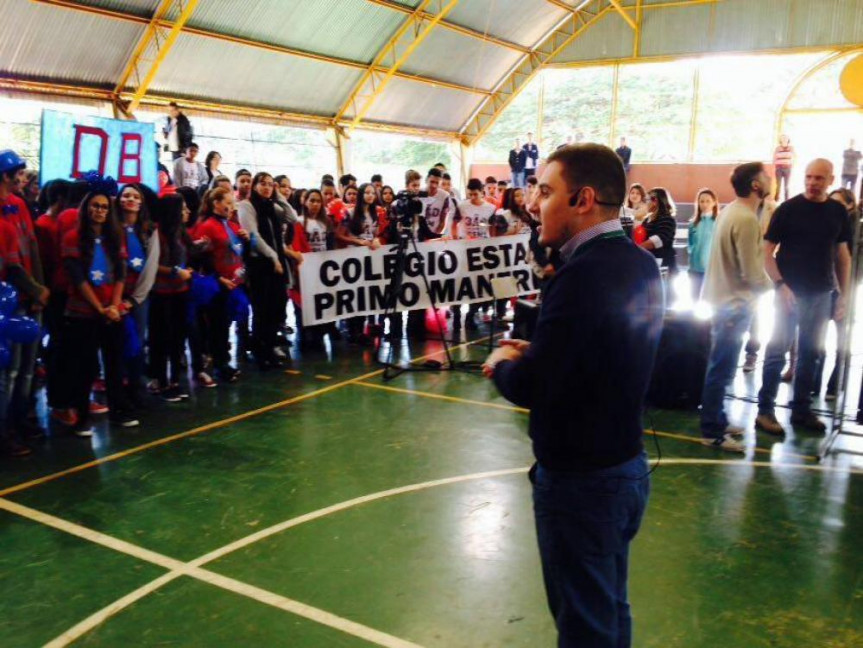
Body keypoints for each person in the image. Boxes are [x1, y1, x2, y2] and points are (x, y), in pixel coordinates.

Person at [483, 143, 662, 648]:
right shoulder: (637, 264)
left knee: (584, 625)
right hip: (624, 467)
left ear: (582, 199)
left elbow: (535, 388)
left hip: (582, 483)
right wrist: (538, 348)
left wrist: (503, 364)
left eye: (545, 190)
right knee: (608, 607)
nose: (533, 202)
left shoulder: (581, 275)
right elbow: (601, 353)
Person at [756, 159, 852, 435]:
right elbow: (766, 253)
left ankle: (801, 410)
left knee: (811, 353)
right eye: (808, 177)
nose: (812, 182)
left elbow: (842, 258)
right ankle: (765, 411)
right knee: (777, 352)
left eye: (819, 178)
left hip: (821, 295)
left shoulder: (837, 212)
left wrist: (843, 296)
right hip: (789, 293)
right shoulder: (788, 209)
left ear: (831, 180)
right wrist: (781, 285)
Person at [699, 163, 773, 452]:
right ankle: (712, 431)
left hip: (724, 302)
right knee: (722, 368)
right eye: (766, 177)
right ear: (756, 185)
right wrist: (776, 287)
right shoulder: (745, 218)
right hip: (733, 305)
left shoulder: (732, 211)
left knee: (722, 367)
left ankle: (717, 418)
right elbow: (751, 274)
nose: (771, 180)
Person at [58, 188, 138, 434]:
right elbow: (78, 278)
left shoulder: (116, 237)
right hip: (83, 313)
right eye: (95, 206)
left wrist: (114, 306)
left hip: (111, 312)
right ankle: (82, 417)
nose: (100, 211)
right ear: (86, 208)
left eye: (104, 207)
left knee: (115, 364)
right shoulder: (72, 238)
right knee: (84, 367)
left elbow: (121, 274)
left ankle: (118, 411)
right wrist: (100, 308)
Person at [0, 150, 48, 456]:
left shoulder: (17, 206)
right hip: (9, 300)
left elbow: (31, 249)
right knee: (10, 372)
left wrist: (39, 291)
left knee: (27, 370)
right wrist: (35, 290)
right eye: (17, 173)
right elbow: (10, 263)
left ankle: (20, 420)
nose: (22, 178)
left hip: (27, 297)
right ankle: (5, 430)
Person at [237, 172, 295, 369]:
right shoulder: (246, 205)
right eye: (263, 184)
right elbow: (253, 236)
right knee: (262, 309)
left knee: (277, 307)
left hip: (275, 263)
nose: (267, 187)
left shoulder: (272, 206)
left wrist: (279, 196)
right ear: (254, 186)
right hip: (260, 264)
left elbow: (292, 217)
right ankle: (261, 350)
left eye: (270, 184)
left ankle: (270, 346)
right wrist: (272, 256)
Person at [193, 187, 249, 384]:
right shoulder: (207, 226)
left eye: (231, 201)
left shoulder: (233, 225)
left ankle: (220, 359)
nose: (230, 205)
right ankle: (220, 365)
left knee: (231, 319)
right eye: (226, 201)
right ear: (215, 203)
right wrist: (217, 278)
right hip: (218, 284)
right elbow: (202, 258)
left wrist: (247, 239)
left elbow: (241, 253)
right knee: (218, 325)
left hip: (236, 281)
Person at [117, 183, 159, 406]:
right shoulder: (111, 228)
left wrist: (134, 299)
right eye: (126, 196)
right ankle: (117, 388)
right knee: (115, 344)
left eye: (135, 196)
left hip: (138, 297)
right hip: (113, 298)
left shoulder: (149, 229)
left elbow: (150, 266)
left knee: (137, 342)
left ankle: (137, 387)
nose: (130, 199)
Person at [149, 194, 192, 401]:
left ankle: (175, 380)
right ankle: (160, 379)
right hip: (161, 292)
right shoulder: (156, 233)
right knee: (161, 337)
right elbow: (151, 265)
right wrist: (175, 272)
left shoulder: (180, 232)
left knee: (177, 337)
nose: (187, 212)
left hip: (180, 291)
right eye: (183, 209)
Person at [819, 187, 859, 400]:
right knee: (818, 338)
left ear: (850, 206)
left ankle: (836, 383)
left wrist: (847, 292)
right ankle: (814, 384)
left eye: (839, 203)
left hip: (845, 290)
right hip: (825, 289)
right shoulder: (825, 227)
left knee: (843, 339)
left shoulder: (854, 232)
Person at [687, 188, 719, 300]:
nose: (704, 204)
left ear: (714, 203)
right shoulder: (693, 223)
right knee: (694, 299)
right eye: (702, 201)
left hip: (712, 270)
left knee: (711, 301)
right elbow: (690, 244)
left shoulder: (719, 222)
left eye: (708, 201)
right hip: (695, 269)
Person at [640, 188, 677, 272]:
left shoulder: (667, 219)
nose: (645, 203)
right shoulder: (647, 220)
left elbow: (658, 240)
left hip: (663, 265)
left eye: (646, 200)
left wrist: (636, 249)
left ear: (655, 201)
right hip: (651, 262)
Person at [773, 134, 794, 202]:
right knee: (778, 185)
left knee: (786, 186)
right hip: (779, 168)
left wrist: (791, 164)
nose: (784, 139)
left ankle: (787, 201)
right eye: (783, 138)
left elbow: (795, 157)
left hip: (787, 168)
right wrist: (775, 166)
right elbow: (774, 158)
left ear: (788, 139)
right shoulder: (777, 148)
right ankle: (776, 200)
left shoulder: (791, 148)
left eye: (785, 138)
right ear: (780, 140)